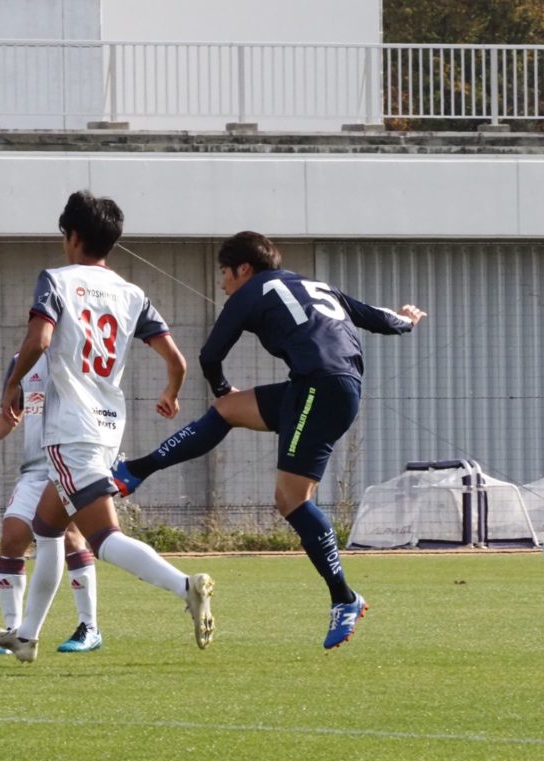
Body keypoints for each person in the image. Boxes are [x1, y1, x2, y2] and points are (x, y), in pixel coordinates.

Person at [112, 230, 426, 649]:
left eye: (225, 273)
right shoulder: (315, 284)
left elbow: (209, 356)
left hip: (320, 388)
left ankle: (344, 598)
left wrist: (220, 385)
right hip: (324, 386)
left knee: (290, 499)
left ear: (244, 268)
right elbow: (377, 318)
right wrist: (407, 320)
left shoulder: (250, 291)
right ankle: (134, 471)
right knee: (228, 411)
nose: (222, 283)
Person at [0, 190, 214, 663]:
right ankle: (26, 636)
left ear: (72, 236)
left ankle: (185, 586)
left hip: (70, 430)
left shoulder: (57, 279)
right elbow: (176, 360)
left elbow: (40, 339)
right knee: (47, 527)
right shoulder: (132, 294)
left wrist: (11, 385)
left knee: (104, 538)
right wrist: (171, 393)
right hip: (108, 427)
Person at [0, 352, 103, 654]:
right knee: (12, 538)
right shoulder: (22, 360)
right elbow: (11, 415)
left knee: (72, 539)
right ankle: (14, 631)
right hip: (34, 470)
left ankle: (89, 627)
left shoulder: (80, 353)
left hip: (70, 464)